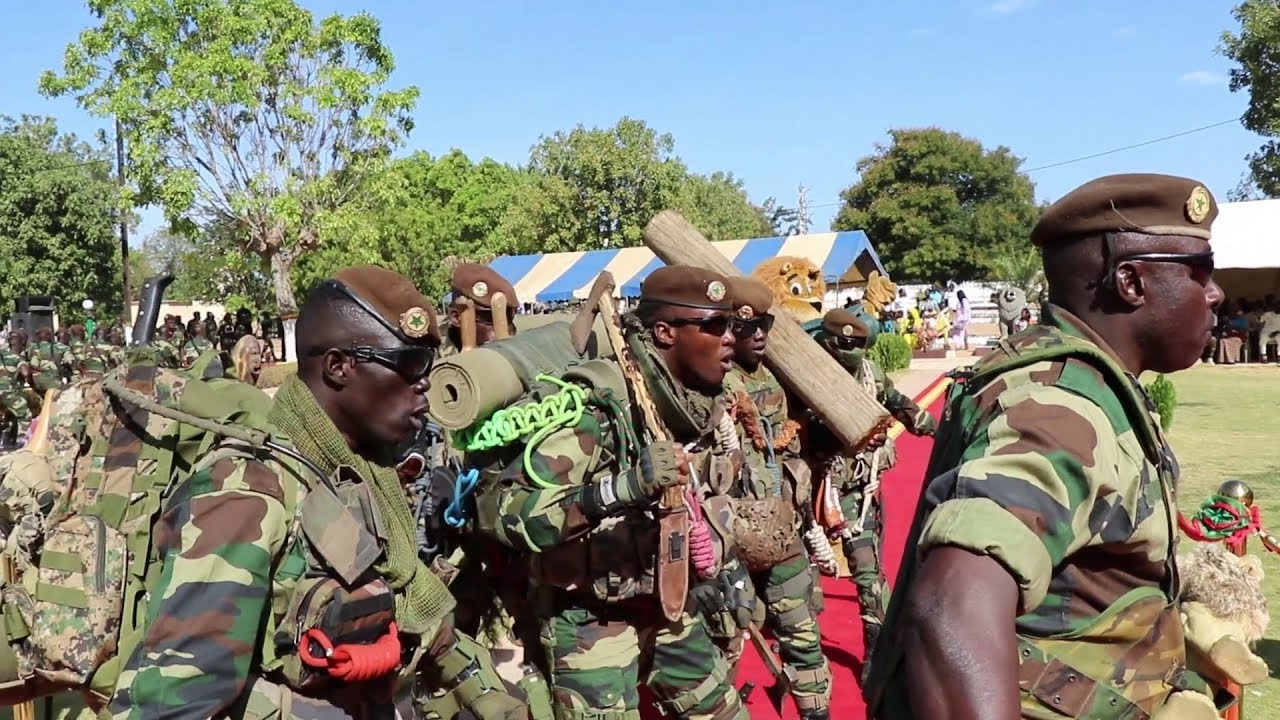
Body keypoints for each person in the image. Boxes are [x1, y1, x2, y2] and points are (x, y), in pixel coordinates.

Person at [864, 174, 1226, 719]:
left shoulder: (1091, 384)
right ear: (1131, 282)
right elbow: (952, 601)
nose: (1215, 293)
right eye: (1199, 271)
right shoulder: (1060, 406)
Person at [107, 265, 525, 720]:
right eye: (410, 364)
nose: (425, 382)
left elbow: (417, 614)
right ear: (338, 367)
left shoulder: (360, 477)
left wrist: (486, 693)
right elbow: (170, 704)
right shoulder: (248, 493)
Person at [474, 265, 749, 720]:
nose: (730, 339)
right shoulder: (599, 411)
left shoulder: (689, 404)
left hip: (666, 604)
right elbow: (509, 513)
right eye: (715, 326)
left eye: (732, 326)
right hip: (591, 620)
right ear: (665, 333)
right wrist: (623, 487)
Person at [718, 277, 831, 718]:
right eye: (748, 328)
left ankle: (815, 709)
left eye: (764, 325)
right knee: (724, 643)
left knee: (802, 633)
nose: (759, 335)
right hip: (728, 539)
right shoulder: (713, 383)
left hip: (780, 527)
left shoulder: (776, 378)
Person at [811, 308, 935, 662]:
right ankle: (803, 650)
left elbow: (901, 406)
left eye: (859, 344)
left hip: (854, 492)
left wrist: (938, 429)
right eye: (845, 344)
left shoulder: (870, 374)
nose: (853, 351)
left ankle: (876, 650)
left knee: (867, 571)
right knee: (802, 577)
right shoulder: (807, 374)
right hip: (809, 490)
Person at [443, 263, 519, 355]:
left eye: (509, 317)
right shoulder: (435, 357)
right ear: (456, 318)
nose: (505, 329)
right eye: (488, 318)